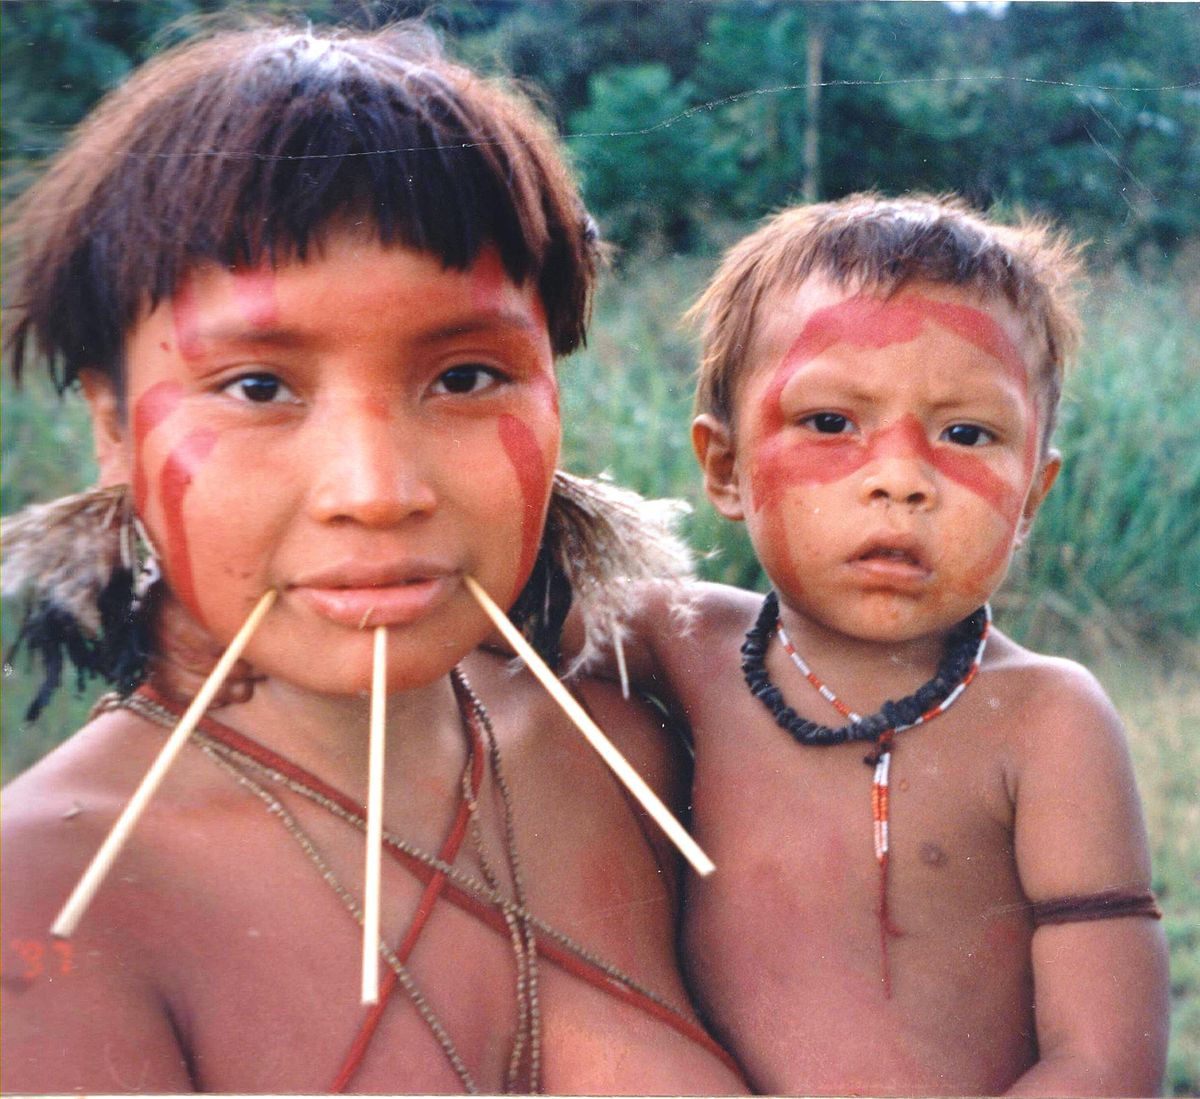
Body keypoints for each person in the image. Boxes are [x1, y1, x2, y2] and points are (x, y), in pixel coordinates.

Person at [0, 23, 748, 1095]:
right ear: (112, 424)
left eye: (465, 377)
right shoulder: (50, 900)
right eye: (259, 386)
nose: (377, 488)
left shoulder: (628, 748)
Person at [579, 194, 1170, 1095]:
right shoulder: (685, 642)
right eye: (829, 423)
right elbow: (488, 593)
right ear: (724, 469)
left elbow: (1103, 1057)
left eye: (966, 433)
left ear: (1032, 496)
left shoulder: (1047, 721)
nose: (900, 479)